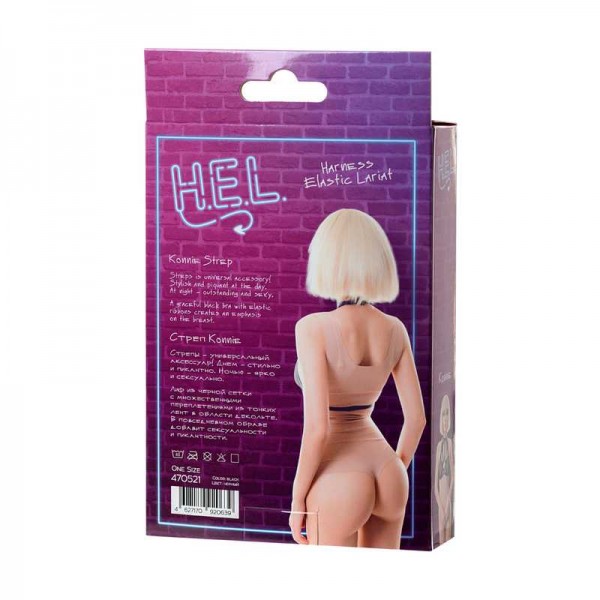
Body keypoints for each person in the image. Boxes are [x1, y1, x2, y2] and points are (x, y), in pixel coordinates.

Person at [289, 208, 426, 548]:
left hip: (339, 478)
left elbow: (318, 429)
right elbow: (417, 420)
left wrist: (297, 500)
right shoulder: (395, 329)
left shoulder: (313, 328)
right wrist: (396, 468)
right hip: (388, 469)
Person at [434, 394, 454, 544]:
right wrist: (440, 504)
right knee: (441, 531)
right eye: (443, 417)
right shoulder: (439, 446)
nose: (445, 421)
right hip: (440, 498)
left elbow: (453, 476)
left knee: (448, 531)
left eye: (447, 417)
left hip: (447, 497)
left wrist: (447, 501)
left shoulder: (450, 444)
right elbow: (435, 484)